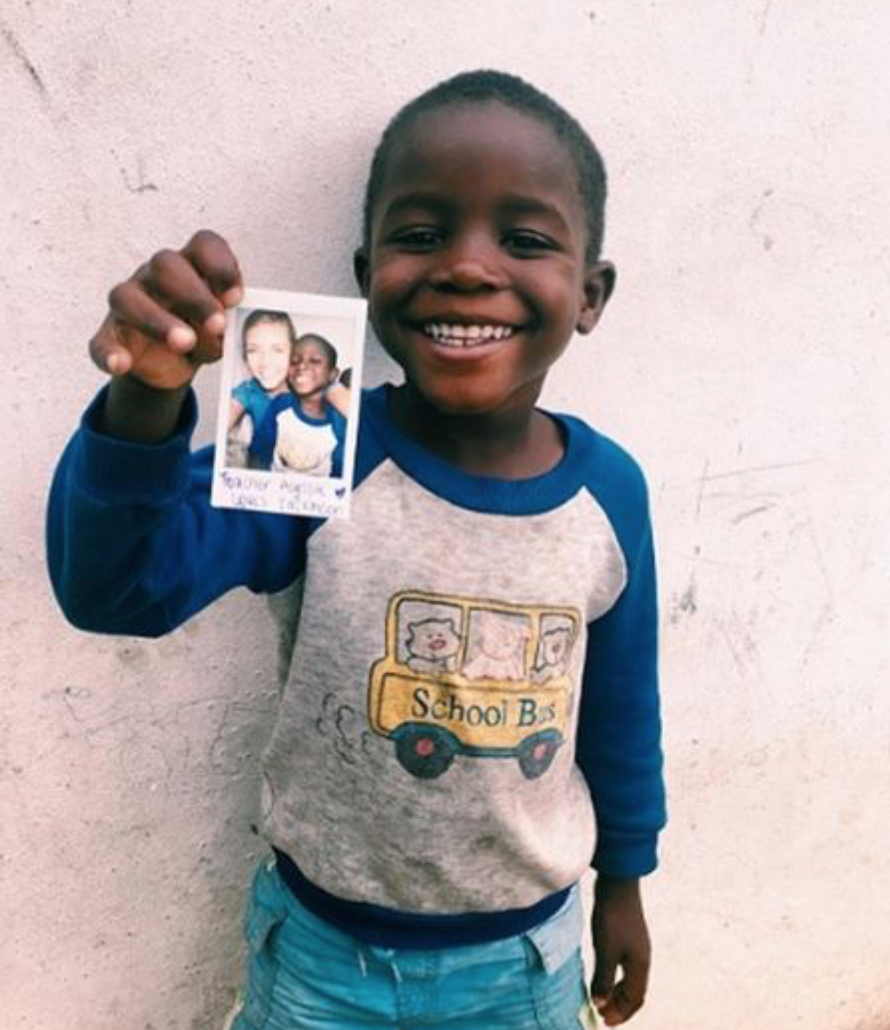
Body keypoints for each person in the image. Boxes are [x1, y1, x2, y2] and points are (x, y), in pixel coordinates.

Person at [47, 69, 666, 1029]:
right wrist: (147, 397)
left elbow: (621, 709)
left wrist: (625, 879)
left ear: (590, 294)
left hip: (523, 961)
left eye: (524, 239)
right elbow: (118, 590)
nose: (467, 267)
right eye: (420, 235)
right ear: (366, 272)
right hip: (320, 958)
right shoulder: (315, 450)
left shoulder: (610, 493)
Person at [248, 333, 349, 477]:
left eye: (314, 361)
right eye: (294, 361)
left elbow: (341, 471)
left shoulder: (339, 419)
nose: (301, 366)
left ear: (332, 374)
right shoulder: (280, 404)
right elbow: (259, 452)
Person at [227, 309, 294, 462]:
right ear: (245, 356)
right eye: (253, 350)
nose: (265, 362)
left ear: (293, 353)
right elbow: (227, 415)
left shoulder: (305, 390)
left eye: (277, 350)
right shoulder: (248, 392)